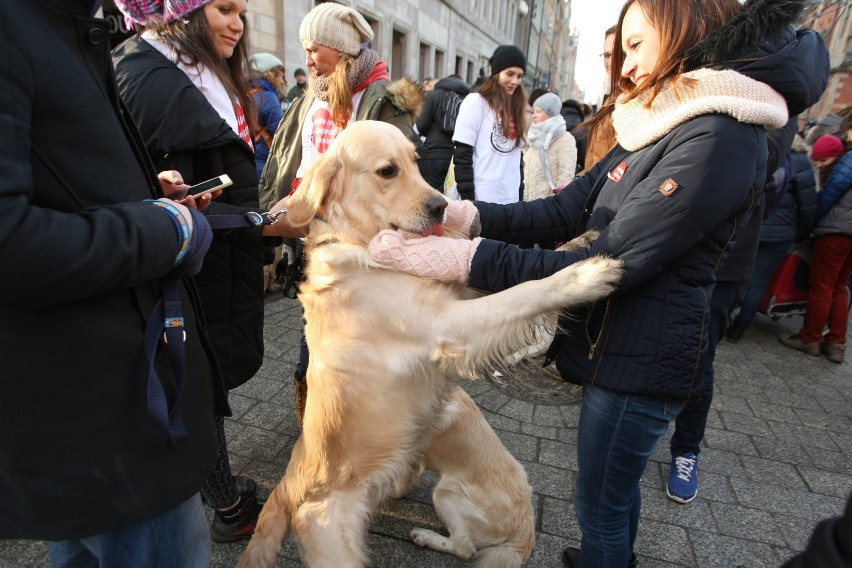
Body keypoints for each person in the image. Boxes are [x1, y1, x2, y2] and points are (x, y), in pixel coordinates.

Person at [366, 0, 827, 565]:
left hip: (642, 359)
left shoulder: (719, 134)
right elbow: (567, 209)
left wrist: (457, 260)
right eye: (619, 51)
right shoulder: (668, 118)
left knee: (600, 510)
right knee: (614, 493)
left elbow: (607, 262)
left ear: (689, 30)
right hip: (619, 344)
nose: (625, 66)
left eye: (634, 47)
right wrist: (465, 217)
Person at [0, 0, 231, 564]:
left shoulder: (66, 23)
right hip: (98, 424)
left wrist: (141, 192)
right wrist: (166, 229)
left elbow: (54, 176)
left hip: (111, 413)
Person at [113, 0, 268, 542]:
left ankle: (221, 491)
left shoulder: (198, 69)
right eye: (225, 8)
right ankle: (226, 504)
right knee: (195, 387)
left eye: (243, 12)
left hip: (215, 259)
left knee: (208, 385)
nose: (238, 24)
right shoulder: (141, 75)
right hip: (186, 270)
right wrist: (262, 223)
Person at [257, 1, 423, 425]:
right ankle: (314, 426)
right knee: (315, 343)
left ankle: (372, 432)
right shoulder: (308, 98)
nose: (309, 58)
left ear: (342, 50)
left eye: (316, 48)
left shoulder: (385, 104)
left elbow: (401, 178)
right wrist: (277, 208)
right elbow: (294, 162)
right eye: (306, 49)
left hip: (369, 247)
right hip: (315, 238)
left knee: (369, 348)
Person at [726, 135, 818, 342]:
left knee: (737, 276)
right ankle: (740, 327)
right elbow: (808, 204)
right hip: (780, 233)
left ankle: (723, 319)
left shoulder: (759, 148)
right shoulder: (801, 161)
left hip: (751, 226)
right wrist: (801, 232)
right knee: (759, 280)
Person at [779, 134, 852, 364]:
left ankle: (810, 338)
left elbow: (832, 190)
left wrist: (812, 222)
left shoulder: (850, 158)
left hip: (837, 230)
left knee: (822, 286)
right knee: (839, 286)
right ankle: (836, 342)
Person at [452, 44, 527, 203]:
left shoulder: (518, 107)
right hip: (482, 198)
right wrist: (469, 201)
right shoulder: (476, 102)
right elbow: (462, 155)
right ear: (497, 73)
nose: (515, 81)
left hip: (511, 200)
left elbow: (517, 160)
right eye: (510, 74)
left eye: (520, 76)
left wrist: (520, 197)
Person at [415, 74, 471, 190]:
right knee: (452, 197)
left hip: (434, 153)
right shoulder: (468, 98)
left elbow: (422, 126)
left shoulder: (433, 95)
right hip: (458, 157)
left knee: (433, 196)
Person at [523, 92, 577, 201]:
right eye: (533, 111)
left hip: (548, 206)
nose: (534, 115)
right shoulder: (532, 136)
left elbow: (566, 177)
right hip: (526, 204)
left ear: (550, 113)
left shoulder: (565, 139)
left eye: (538, 111)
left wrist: (556, 202)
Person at [580, 25, 618, 174]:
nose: (611, 62)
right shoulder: (610, 99)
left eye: (618, 54)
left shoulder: (632, 102)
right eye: (607, 55)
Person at [249, 53, 286, 178]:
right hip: (263, 160)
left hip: (249, 157)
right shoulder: (268, 97)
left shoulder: (245, 94)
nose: (282, 81)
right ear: (271, 74)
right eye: (280, 76)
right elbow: (281, 133)